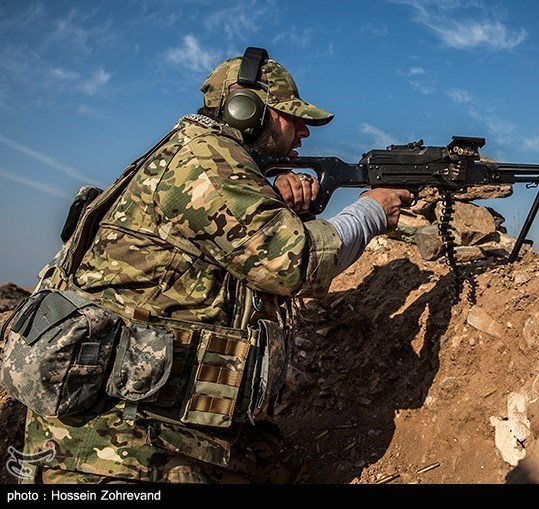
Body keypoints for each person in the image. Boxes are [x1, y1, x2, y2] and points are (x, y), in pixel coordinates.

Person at [19, 47, 413, 484]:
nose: (303, 131)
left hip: (158, 421)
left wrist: (272, 198)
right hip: (119, 447)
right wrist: (373, 209)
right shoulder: (206, 159)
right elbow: (295, 263)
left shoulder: (195, 152)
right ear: (246, 110)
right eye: (290, 116)